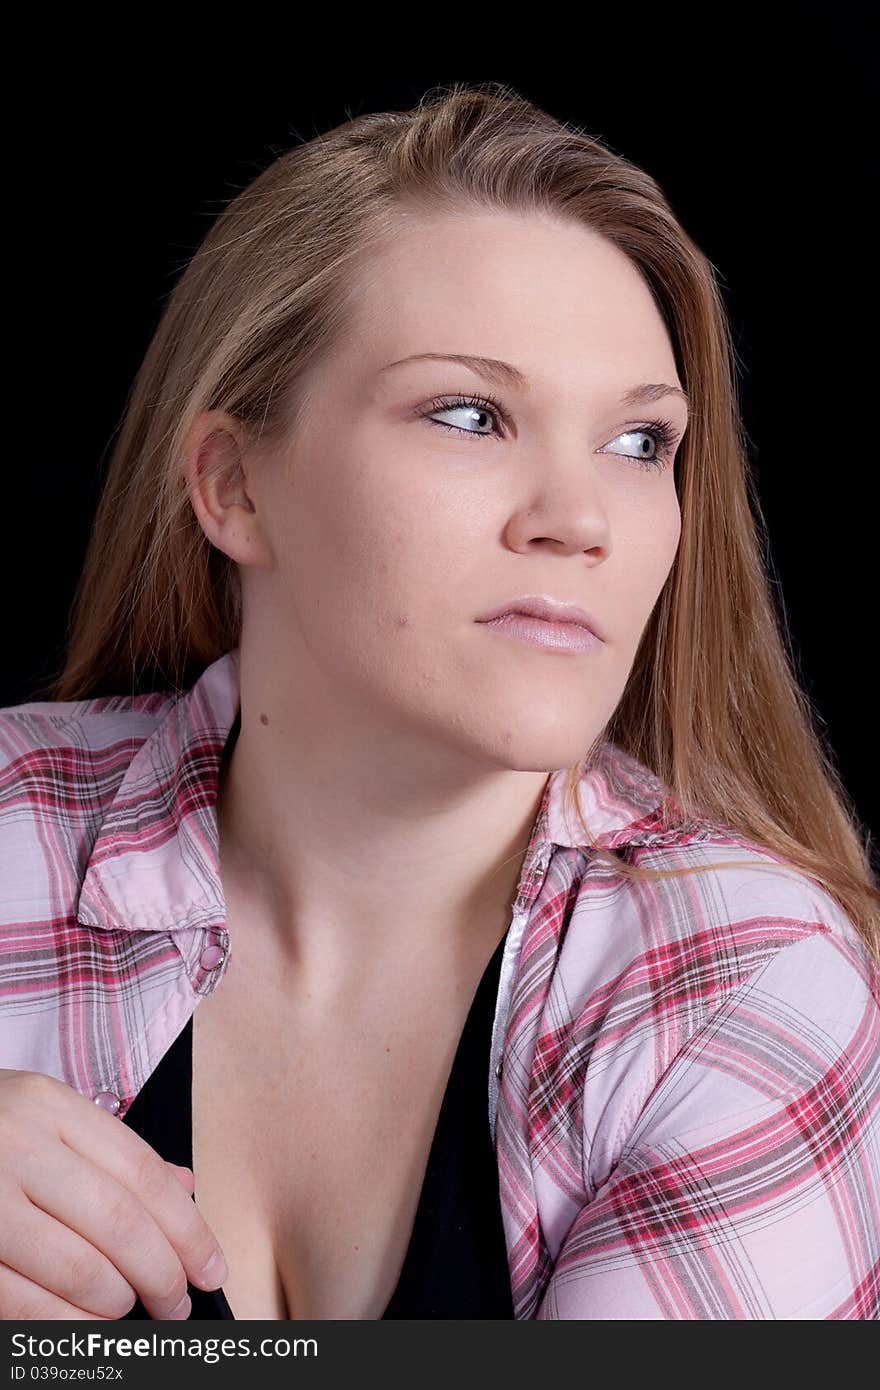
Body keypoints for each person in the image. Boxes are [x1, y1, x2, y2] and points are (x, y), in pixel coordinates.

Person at [1, 79, 878, 1322]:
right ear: (233, 486)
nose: (579, 521)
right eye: (470, 414)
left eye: (639, 444)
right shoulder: (12, 832)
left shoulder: (739, 987)